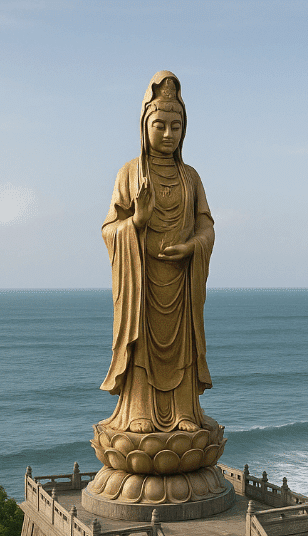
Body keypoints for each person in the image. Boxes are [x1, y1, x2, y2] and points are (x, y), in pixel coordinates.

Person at [99, 71, 215, 435]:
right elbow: (109, 229)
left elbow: (207, 227)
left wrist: (192, 247)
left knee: (182, 347)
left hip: (181, 284)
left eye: (176, 127)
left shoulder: (191, 177)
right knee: (141, 344)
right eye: (159, 125)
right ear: (144, 126)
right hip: (142, 284)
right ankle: (138, 412)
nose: (168, 134)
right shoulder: (129, 173)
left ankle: (184, 411)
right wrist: (137, 221)